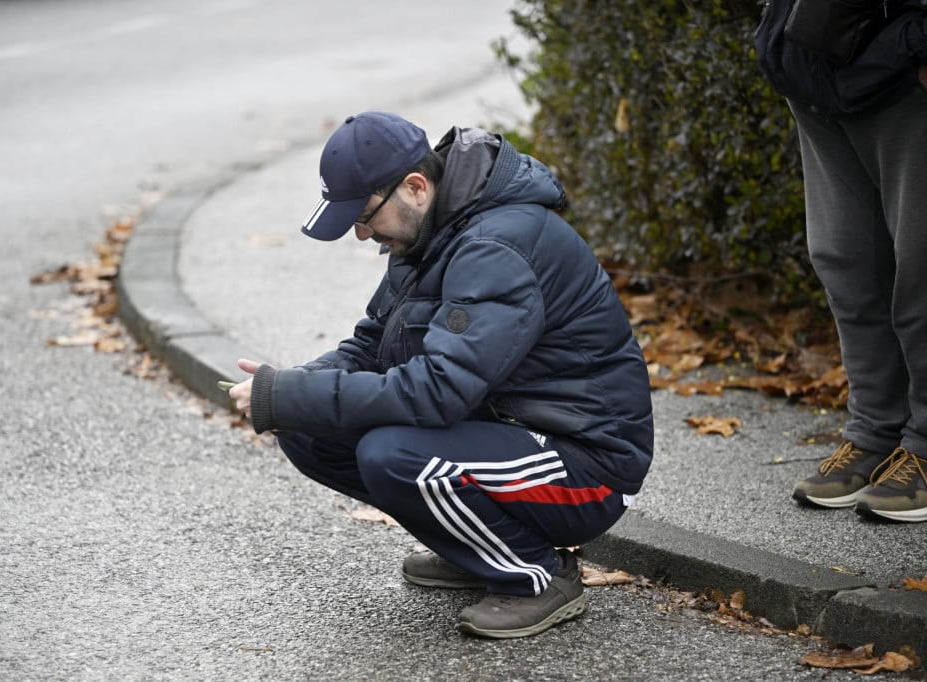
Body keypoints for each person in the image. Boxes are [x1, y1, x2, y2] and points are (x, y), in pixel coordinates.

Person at [228, 111, 654, 638]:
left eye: (363, 217)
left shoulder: (496, 247)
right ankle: (480, 549)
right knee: (307, 428)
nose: (361, 235)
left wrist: (294, 393)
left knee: (392, 456)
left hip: (588, 466)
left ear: (415, 186)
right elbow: (371, 345)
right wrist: (293, 387)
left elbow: (437, 392)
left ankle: (539, 577)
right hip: (510, 430)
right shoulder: (426, 233)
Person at [756, 1, 927, 521]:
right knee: (845, 259)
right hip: (814, 58)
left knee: (921, 261)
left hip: (903, 59)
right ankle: (875, 432)